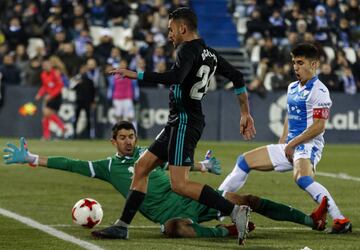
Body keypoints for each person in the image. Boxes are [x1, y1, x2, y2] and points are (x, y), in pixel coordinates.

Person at [3, 121, 328, 242]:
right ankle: (226, 231)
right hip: (176, 215)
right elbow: (70, 164)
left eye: (131, 136)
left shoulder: (149, 155)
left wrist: (201, 165)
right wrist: (32, 159)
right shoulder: (106, 167)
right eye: (122, 138)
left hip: (196, 198)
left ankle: (308, 219)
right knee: (173, 229)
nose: (129, 142)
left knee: (248, 199)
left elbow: (177, 165)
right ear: (113, 142)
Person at [103, 7, 256, 244]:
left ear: (183, 28)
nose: (169, 35)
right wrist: (245, 112)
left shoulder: (186, 50)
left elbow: (175, 77)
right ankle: (122, 226)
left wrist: (136, 74)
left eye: (171, 29)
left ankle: (235, 211)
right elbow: (237, 76)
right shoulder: (210, 54)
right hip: (178, 121)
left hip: (185, 121)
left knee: (180, 184)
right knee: (142, 166)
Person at [218, 43, 352, 234]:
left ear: (313, 65)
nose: (295, 67)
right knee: (244, 161)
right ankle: (216, 203)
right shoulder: (292, 87)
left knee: (302, 178)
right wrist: (283, 142)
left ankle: (340, 219)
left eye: (300, 62)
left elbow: (319, 126)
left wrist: (293, 144)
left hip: (308, 145)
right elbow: (290, 115)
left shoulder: (320, 91)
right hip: (291, 144)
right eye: (294, 63)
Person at [35, 59, 65, 140]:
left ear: (50, 66)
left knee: (46, 114)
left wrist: (51, 96)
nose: (45, 67)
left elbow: (60, 86)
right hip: (50, 97)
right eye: (44, 65)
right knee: (46, 116)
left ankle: (51, 133)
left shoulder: (55, 74)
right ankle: (48, 135)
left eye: (47, 65)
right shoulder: (43, 75)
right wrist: (39, 94)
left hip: (56, 96)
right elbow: (45, 86)